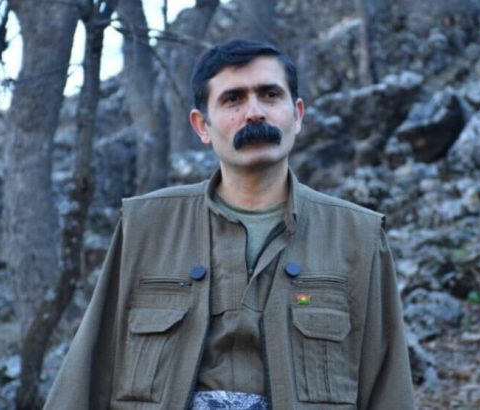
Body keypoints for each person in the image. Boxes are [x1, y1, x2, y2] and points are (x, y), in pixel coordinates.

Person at [45, 39, 415, 410]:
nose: (254, 113)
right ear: (201, 125)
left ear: (297, 115)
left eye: (270, 95)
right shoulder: (146, 227)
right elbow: (92, 366)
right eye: (233, 99)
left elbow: (388, 384)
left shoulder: (358, 236)